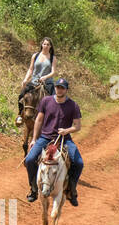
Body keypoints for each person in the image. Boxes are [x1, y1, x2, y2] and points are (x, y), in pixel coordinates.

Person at [23, 78, 84, 206]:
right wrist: (34, 139)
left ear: (66, 90)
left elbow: (77, 126)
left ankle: (71, 189)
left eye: (62, 87)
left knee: (78, 163)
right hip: (45, 137)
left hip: (64, 139)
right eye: (57, 87)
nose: (59, 89)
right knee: (29, 160)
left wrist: (67, 130)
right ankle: (34, 189)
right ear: (55, 88)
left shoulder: (73, 105)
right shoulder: (46, 101)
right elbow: (39, 120)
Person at [18, 38, 56, 105]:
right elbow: (30, 69)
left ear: (50, 46)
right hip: (34, 82)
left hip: (47, 83)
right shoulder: (35, 56)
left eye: (48, 44)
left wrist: (45, 77)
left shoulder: (53, 58)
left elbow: (53, 72)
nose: (46, 46)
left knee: (54, 102)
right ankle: (20, 114)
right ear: (42, 45)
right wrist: (25, 79)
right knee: (21, 96)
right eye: (44, 44)